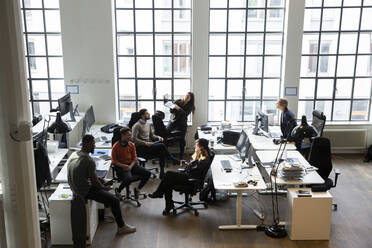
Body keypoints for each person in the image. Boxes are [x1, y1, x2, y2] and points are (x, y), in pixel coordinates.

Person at [68, 135, 135, 247]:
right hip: (83, 191)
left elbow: (91, 175)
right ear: (87, 144)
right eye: (93, 144)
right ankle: (121, 227)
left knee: (105, 186)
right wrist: (104, 187)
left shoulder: (76, 155)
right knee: (114, 200)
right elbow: (94, 182)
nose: (94, 146)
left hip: (74, 187)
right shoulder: (88, 160)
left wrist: (101, 180)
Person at [148, 138, 212, 215]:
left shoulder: (204, 157)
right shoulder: (201, 153)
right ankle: (168, 204)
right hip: (188, 175)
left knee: (168, 174)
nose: (195, 146)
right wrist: (190, 162)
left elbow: (195, 169)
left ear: (201, 147)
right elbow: (193, 166)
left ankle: (161, 196)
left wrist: (194, 159)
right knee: (167, 182)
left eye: (196, 145)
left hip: (191, 179)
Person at [132, 109, 179, 178]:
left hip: (149, 146)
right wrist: (145, 143)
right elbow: (134, 139)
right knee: (162, 145)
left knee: (161, 150)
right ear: (142, 116)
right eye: (147, 114)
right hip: (141, 148)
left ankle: (162, 172)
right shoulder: (136, 125)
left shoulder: (148, 124)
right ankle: (172, 159)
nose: (149, 115)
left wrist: (158, 137)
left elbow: (152, 136)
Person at [111, 126, 151, 199]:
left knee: (147, 173)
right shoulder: (116, 146)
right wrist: (124, 166)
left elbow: (135, 158)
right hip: (121, 166)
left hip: (131, 165)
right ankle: (118, 190)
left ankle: (138, 190)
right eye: (128, 135)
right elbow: (114, 161)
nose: (130, 137)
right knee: (128, 178)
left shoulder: (131, 145)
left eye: (130, 135)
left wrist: (130, 166)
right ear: (122, 135)